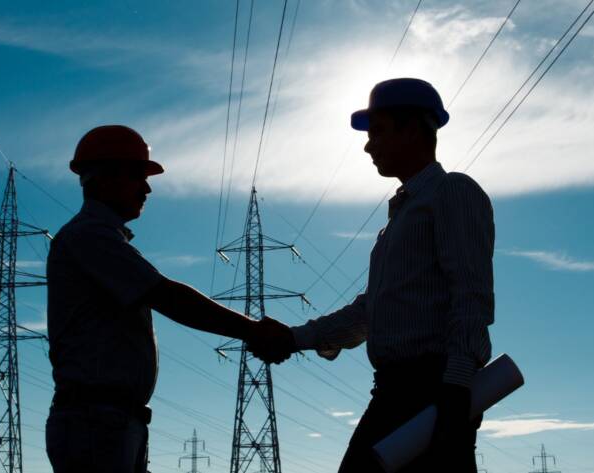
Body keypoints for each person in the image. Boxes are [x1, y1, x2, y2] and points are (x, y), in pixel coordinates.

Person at [249, 78, 495, 472]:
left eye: (378, 131)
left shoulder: (452, 192)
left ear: (413, 128)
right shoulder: (398, 221)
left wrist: (456, 388)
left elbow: (470, 294)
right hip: (397, 392)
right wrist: (295, 338)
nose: (368, 145)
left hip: (433, 389)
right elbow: (369, 313)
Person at [45, 125, 281, 473]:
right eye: (137, 176)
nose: (147, 188)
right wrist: (255, 331)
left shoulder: (101, 239)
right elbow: (167, 296)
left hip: (111, 421)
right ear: (104, 177)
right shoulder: (90, 237)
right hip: (97, 421)